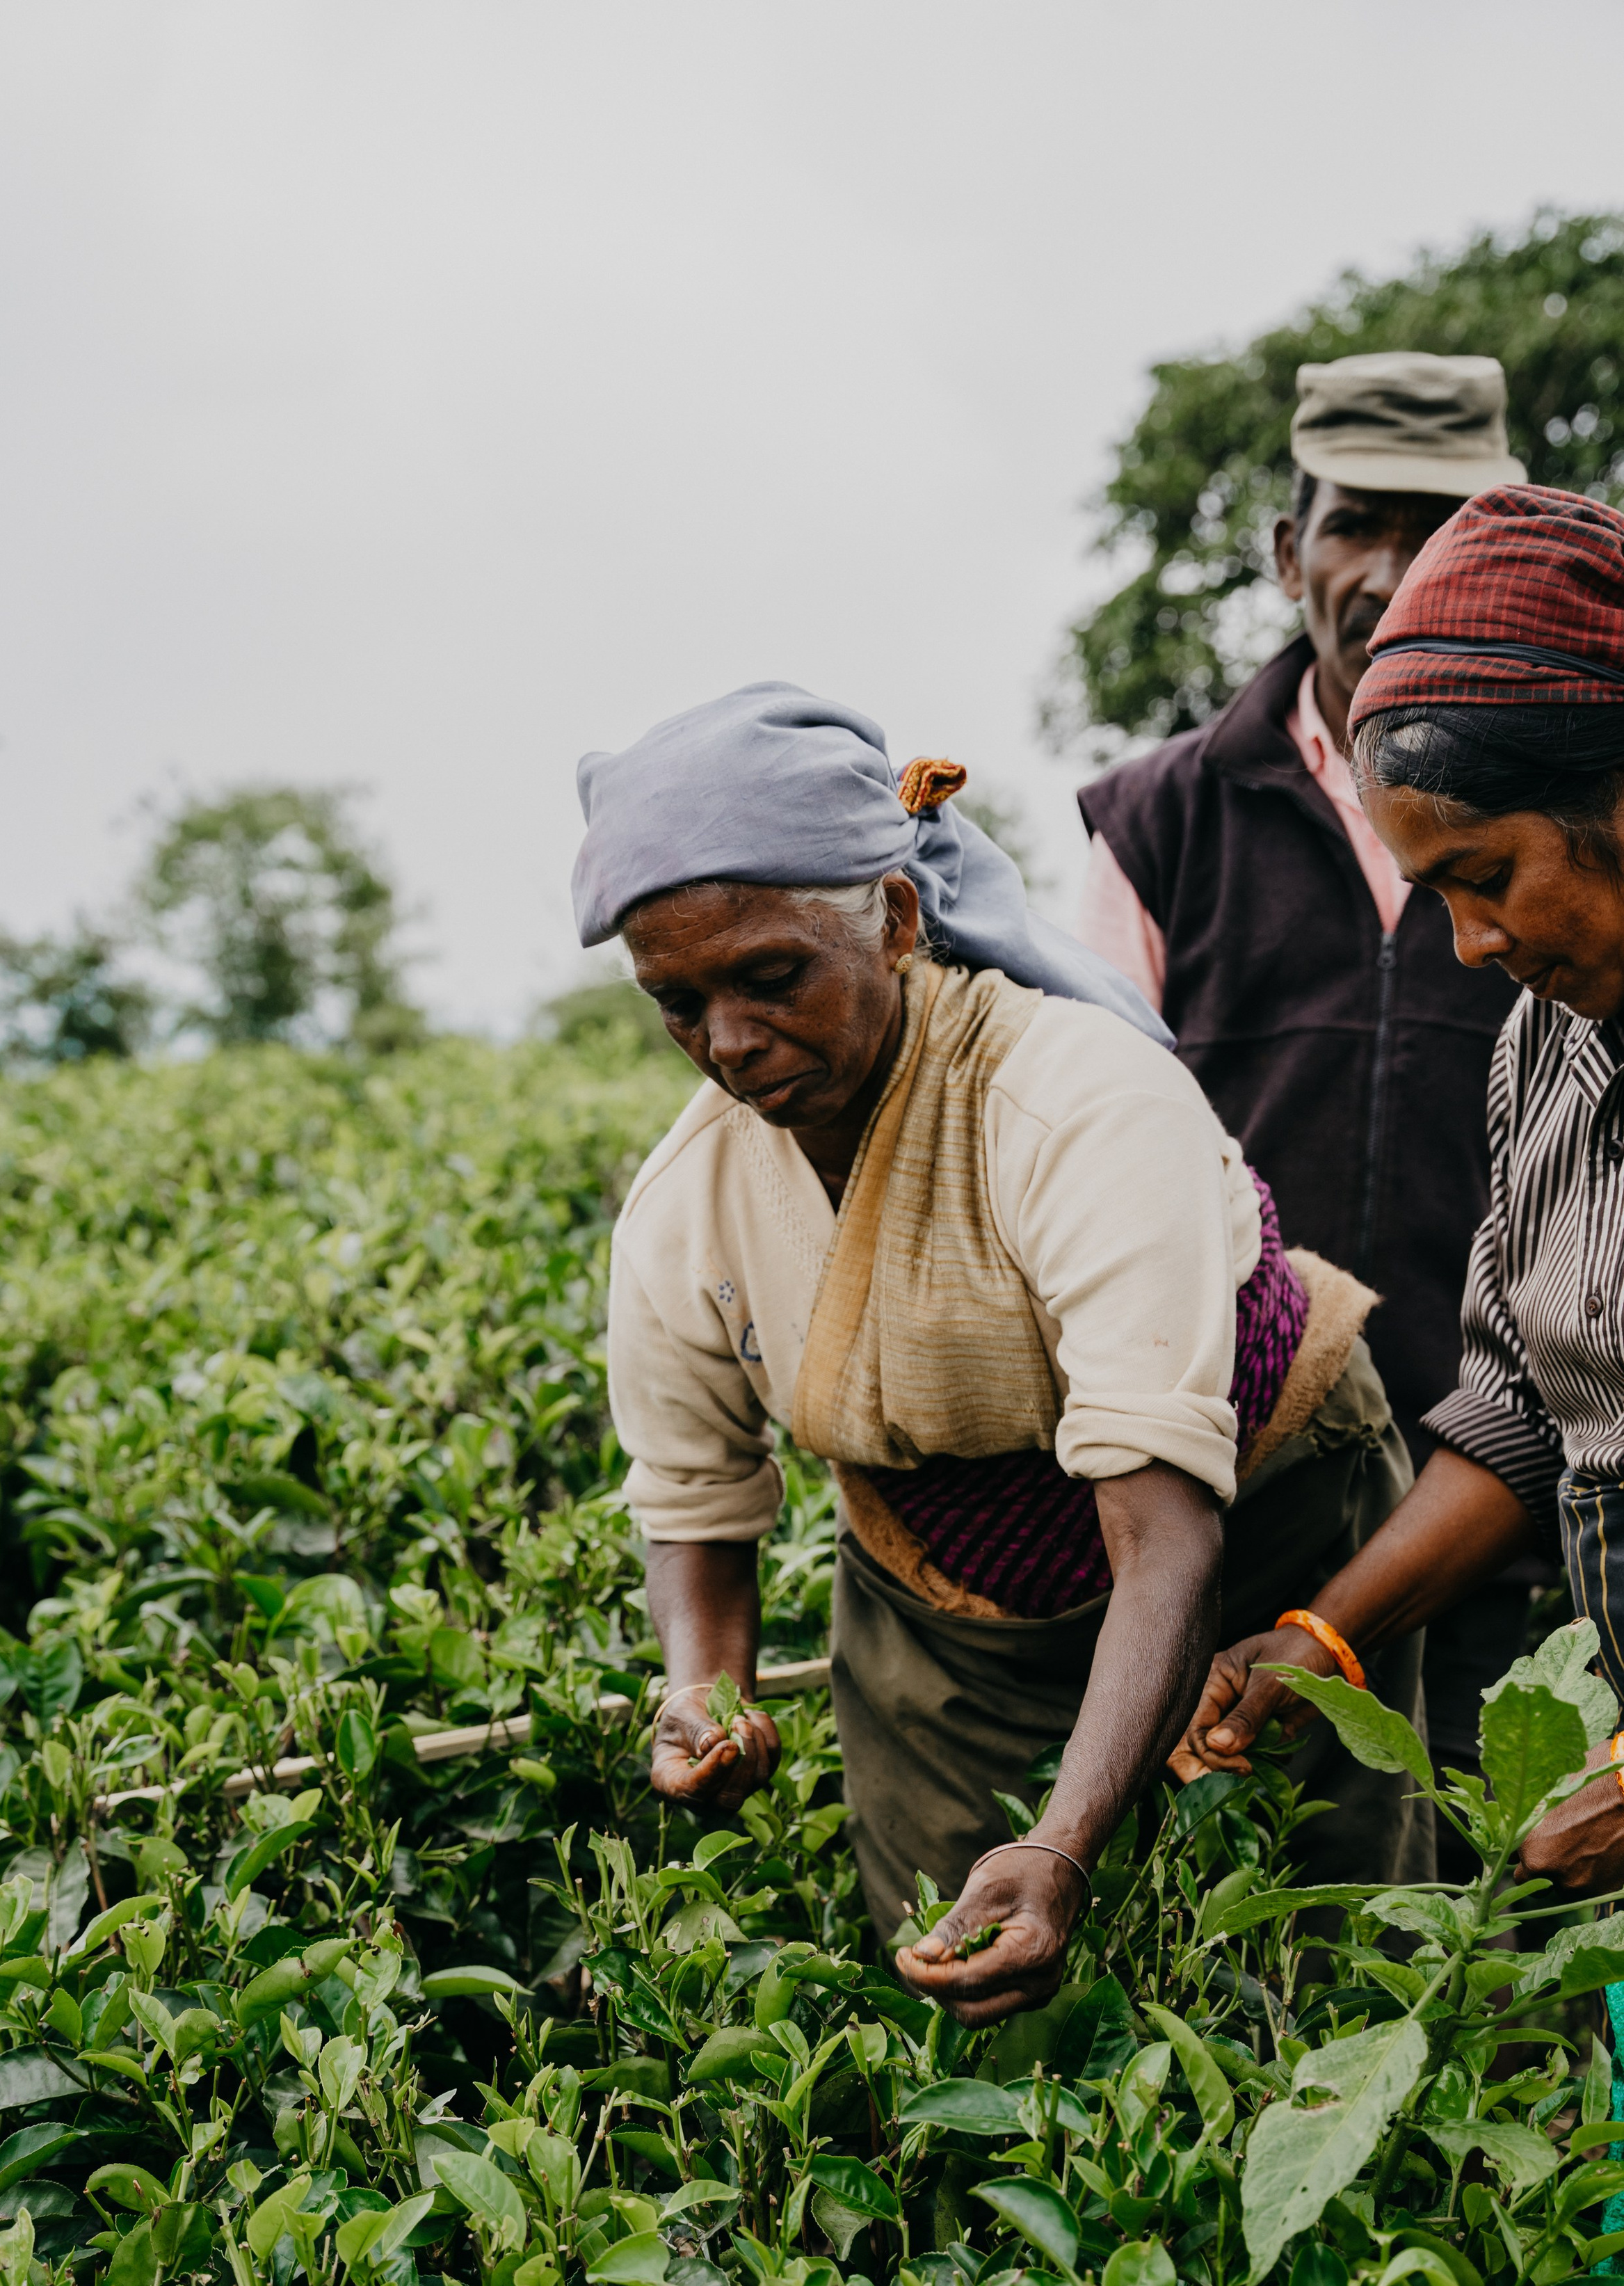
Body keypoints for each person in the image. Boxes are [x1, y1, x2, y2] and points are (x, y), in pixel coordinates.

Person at [576, 682, 1430, 2028]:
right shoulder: (690, 1207)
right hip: (947, 1595)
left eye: (771, 976)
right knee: (974, 2004)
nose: (729, 1043)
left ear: (899, 922)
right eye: (677, 1002)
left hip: (1257, 1523)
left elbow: (1163, 1542)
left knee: (1310, 1975)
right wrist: (704, 1693)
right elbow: (695, 1504)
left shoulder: (1072, 1104)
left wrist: (1063, 1844)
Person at [1075, 354, 1530, 1781]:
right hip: (1240, 1501)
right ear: (1288, 551)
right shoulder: (1159, 821)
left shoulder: (1563, 809)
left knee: (1504, 1934)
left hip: (1516, 1502)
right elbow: (1090, 1149)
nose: (1390, 567)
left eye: (1436, 524)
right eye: (1353, 523)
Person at [1177, 483, 1624, 1901]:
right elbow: (1519, 1415)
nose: (1469, 941)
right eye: (1430, 893)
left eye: (1483, 876)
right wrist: (1324, 1638)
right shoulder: (1545, 1048)